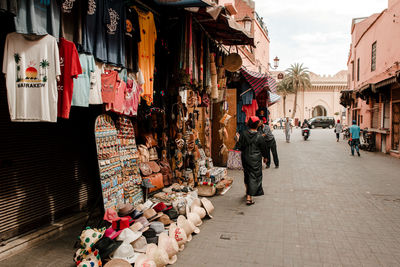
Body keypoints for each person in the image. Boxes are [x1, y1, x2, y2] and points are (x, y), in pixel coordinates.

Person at [235, 116, 267, 205]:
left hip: (245, 157)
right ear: (257, 125)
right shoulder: (259, 136)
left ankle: (247, 191)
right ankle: (249, 197)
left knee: (247, 174)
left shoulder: (244, 134)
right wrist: (265, 157)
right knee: (254, 177)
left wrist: (238, 139)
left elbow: (239, 146)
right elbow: (264, 148)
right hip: (255, 159)